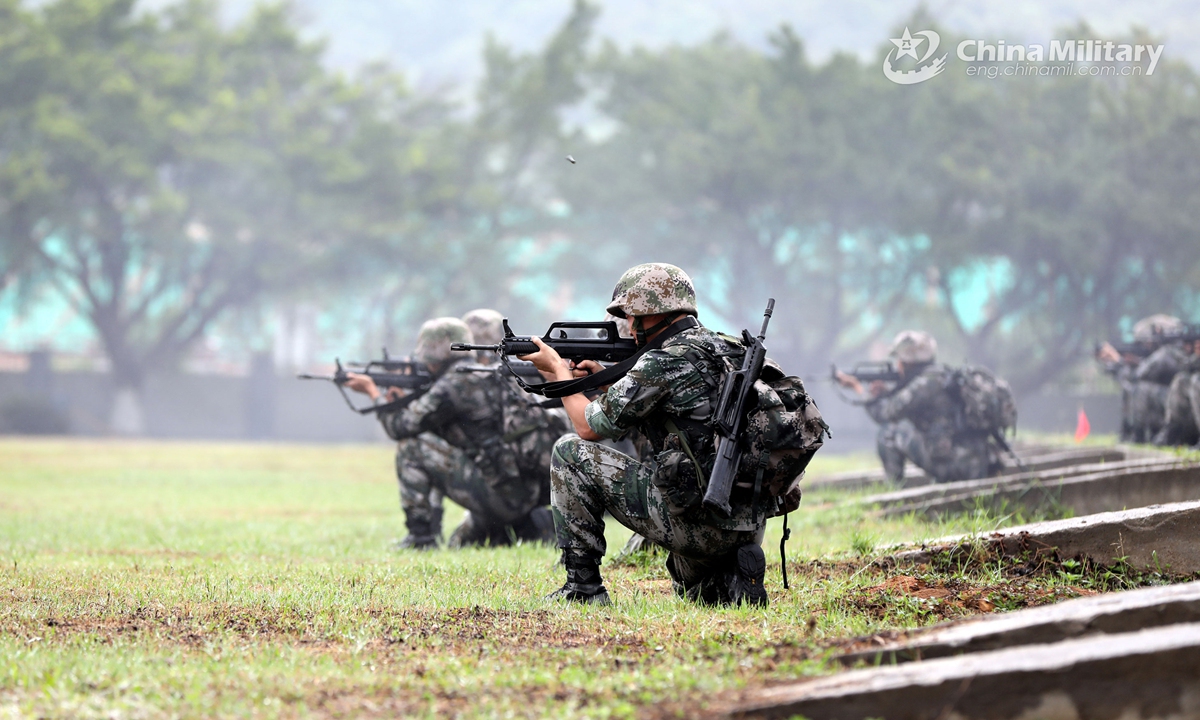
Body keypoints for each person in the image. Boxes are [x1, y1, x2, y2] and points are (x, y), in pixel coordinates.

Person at [520, 263, 806, 607]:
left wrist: (558, 372)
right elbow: (677, 404)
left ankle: (583, 588)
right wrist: (607, 380)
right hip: (747, 524)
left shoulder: (662, 361)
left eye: (628, 313)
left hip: (697, 524)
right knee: (694, 592)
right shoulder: (726, 348)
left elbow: (586, 427)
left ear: (646, 311)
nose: (626, 323)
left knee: (570, 451)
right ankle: (731, 573)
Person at [346, 317, 568, 549]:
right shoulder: (488, 372)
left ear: (433, 354)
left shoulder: (452, 385)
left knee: (412, 447)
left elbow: (400, 427)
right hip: (524, 491)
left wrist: (373, 392)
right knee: (459, 543)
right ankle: (528, 527)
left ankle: (421, 538)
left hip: (500, 497)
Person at [835, 331, 1001, 484]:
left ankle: (893, 489)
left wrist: (859, 389)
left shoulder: (923, 385)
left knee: (889, 432)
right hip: (978, 463)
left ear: (908, 362)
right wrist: (885, 392)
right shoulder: (940, 375)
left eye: (899, 360)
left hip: (957, 467)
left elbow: (884, 415)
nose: (897, 365)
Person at [1096, 315, 1186, 443]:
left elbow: (1137, 375)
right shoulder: (1167, 352)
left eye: (1147, 341)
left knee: (1140, 389)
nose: (1146, 345)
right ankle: (1130, 433)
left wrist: (1118, 360)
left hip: (1175, 404)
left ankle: (1139, 435)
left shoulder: (1166, 352)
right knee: (1133, 387)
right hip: (1170, 402)